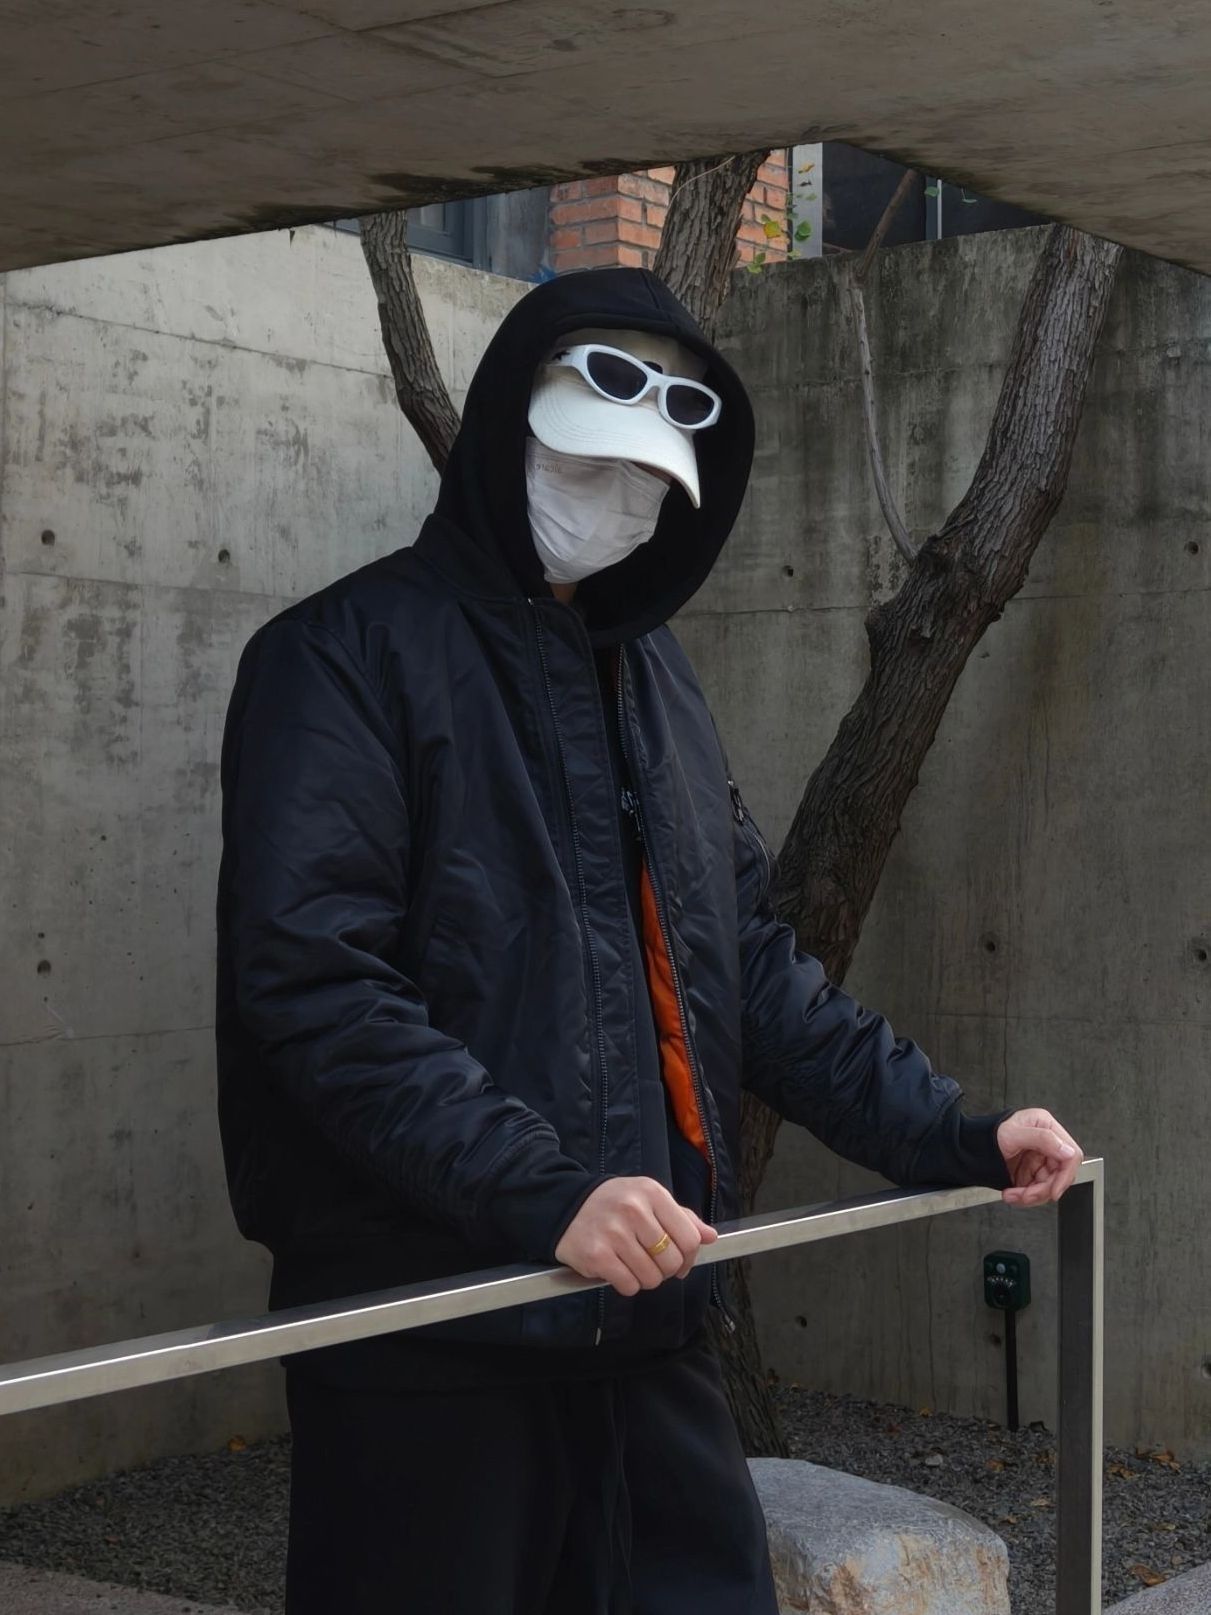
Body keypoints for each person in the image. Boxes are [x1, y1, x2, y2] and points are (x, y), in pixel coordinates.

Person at [215, 266, 1083, 1614]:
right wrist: (546, 1192)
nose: (616, 498)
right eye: (587, 462)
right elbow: (316, 991)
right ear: (504, 432)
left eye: (646, 480)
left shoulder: (653, 679)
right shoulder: (340, 658)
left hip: (646, 1322)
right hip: (429, 1345)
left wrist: (953, 1134)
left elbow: (749, 971)